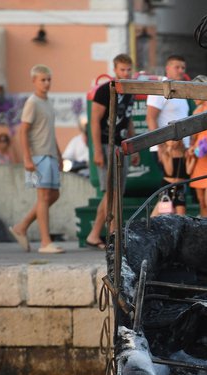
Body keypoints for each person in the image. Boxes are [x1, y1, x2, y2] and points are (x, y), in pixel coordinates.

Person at [84, 54, 138, 249]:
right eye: (122, 69)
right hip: (107, 145)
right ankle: (114, 234)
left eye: (128, 69)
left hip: (122, 145)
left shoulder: (130, 90)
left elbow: (128, 119)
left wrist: (134, 146)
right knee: (112, 192)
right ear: (115, 69)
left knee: (115, 194)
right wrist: (97, 150)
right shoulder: (105, 91)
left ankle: (94, 235)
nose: (126, 72)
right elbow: (95, 122)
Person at [11, 64, 63, 254]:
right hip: (38, 156)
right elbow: (23, 131)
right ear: (34, 81)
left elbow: (50, 131)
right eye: (43, 79)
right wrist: (27, 158)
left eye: (49, 79)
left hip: (49, 154)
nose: (47, 83)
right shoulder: (32, 102)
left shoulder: (47, 103)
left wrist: (59, 153)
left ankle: (22, 226)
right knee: (43, 197)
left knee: (53, 195)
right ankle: (45, 242)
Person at [147, 55, 190, 215]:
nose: (180, 71)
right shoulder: (161, 88)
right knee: (170, 188)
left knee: (175, 191)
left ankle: (167, 224)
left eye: (183, 68)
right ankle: (153, 223)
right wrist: (160, 146)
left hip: (180, 150)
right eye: (177, 67)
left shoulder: (180, 90)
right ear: (168, 68)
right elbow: (150, 118)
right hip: (167, 149)